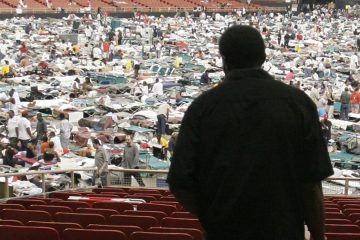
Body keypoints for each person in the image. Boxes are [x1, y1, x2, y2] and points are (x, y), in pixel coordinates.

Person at [167, 25, 333, 240]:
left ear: (224, 59)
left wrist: (214, 216)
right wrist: (319, 236)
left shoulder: (202, 108)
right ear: (264, 57)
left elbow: (180, 183)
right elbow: (311, 185)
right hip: (283, 232)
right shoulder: (299, 103)